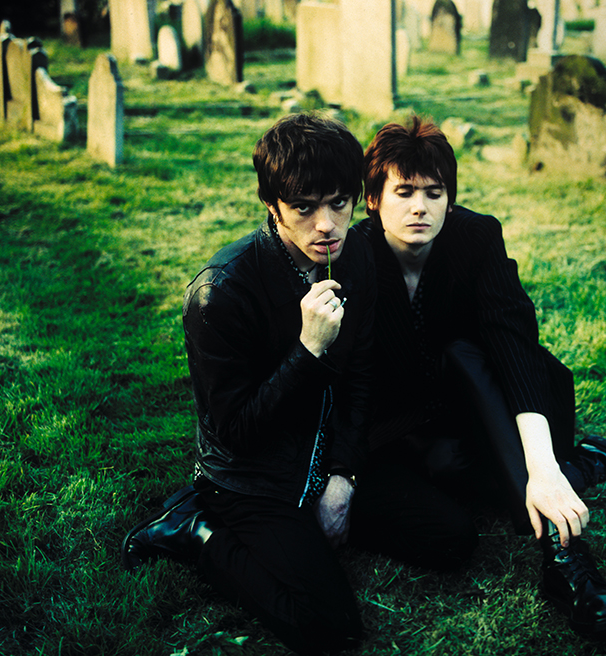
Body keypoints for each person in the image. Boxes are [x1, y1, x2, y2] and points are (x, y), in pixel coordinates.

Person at [349, 116, 606, 639]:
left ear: (450, 200)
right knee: (461, 490)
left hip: (497, 403)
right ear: (373, 200)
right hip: (417, 428)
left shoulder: (476, 237)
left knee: (464, 354)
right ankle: (591, 464)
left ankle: (565, 559)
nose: (420, 207)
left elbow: (513, 345)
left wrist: (543, 466)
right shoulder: (353, 256)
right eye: (404, 192)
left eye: (435, 193)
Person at [120, 113, 374, 655]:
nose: (326, 225)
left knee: (443, 538)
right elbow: (236, 433)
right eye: (304, 207)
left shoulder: (354, 255)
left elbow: (361, 376)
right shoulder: (221, 293)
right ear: (272, 205)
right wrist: (307, 350)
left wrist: (343, 477)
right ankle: (194, 531)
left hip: (324, 451)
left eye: (339, 203)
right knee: (331, 628)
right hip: (248, 479)